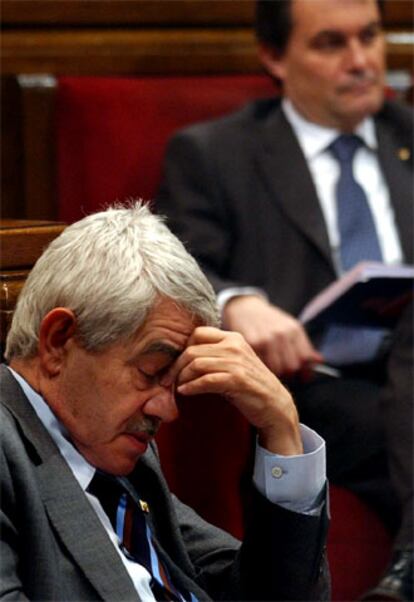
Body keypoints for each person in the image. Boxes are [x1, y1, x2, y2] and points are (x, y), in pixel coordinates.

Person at [156, 0, 413, 599]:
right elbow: (170, 266)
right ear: (274, 57)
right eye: (331, 44)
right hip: (318, 385)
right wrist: (234, 301)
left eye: (371, 37)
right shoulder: (215, 154)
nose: (361, 61)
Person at [0, 202, 329, 601]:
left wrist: (281, 430)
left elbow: (266, 594)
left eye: (174, 384)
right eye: (151, 372)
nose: (167, 410)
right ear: (58, 341)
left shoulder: (124, 469)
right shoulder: (11, 453)